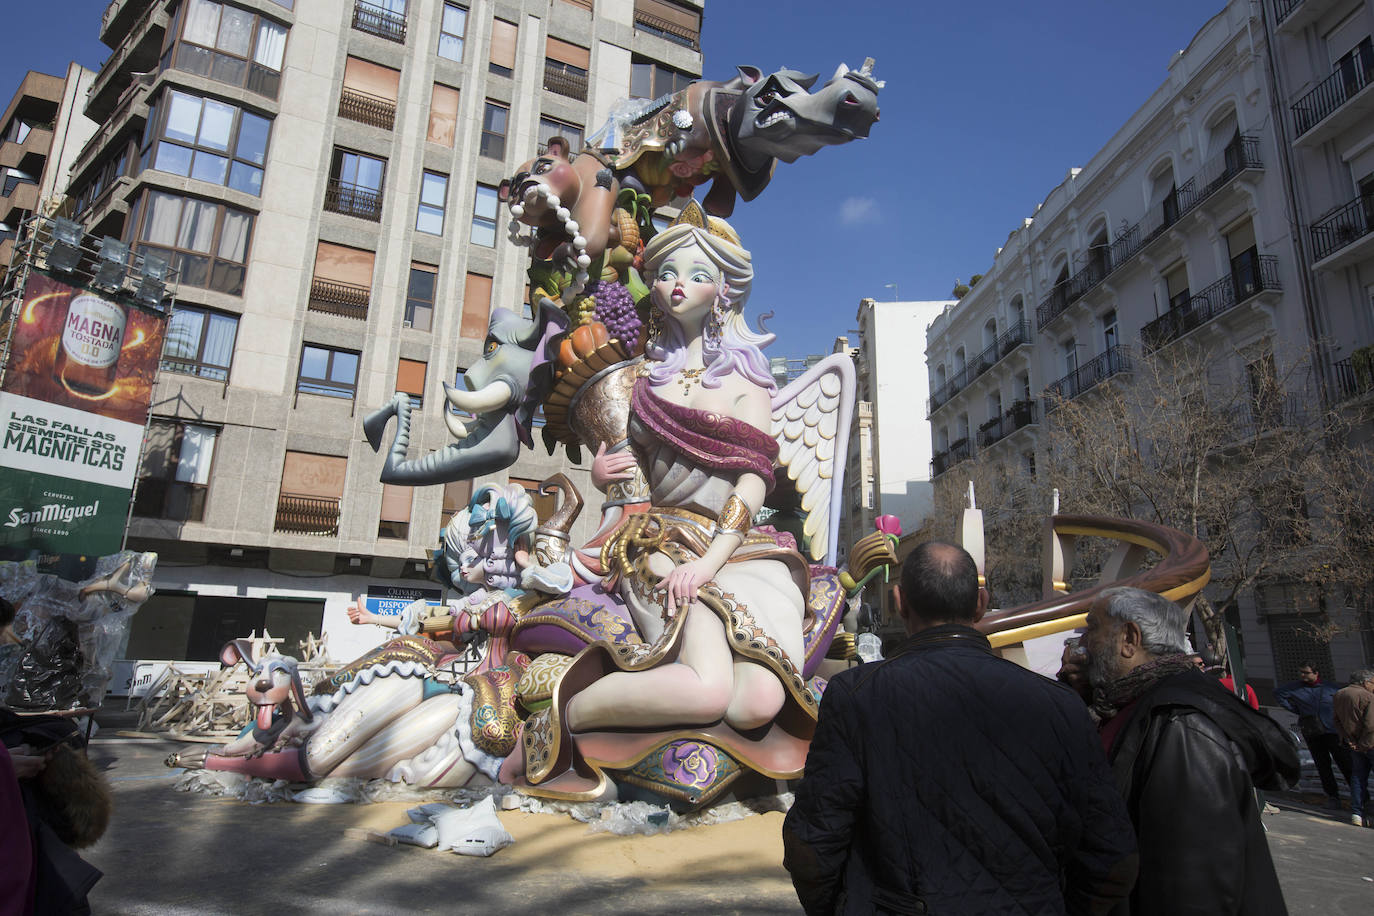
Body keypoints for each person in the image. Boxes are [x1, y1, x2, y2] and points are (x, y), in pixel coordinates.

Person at [520, 200, 817, 794]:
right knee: (708, 689)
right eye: (668, 273)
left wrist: (712, 561)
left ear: (725, 290)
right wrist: (604, 474)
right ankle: (561, 717)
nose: (679, 285)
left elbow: (754, 480)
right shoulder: (641, 382)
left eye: (698, 273)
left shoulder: (749, 379)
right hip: (660, 545)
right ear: (653, 284)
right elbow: (629, 481)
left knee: (758, 700)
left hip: (738, 548)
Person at [783, 542, 1138, 915]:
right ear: (981, 603)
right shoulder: (1061, 705)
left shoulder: (856, 696)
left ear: (899, 600)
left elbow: (813, 843)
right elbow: (1113, 857)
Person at [1072, 587, 1298, 916]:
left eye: (1093, 628)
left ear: (1129, 639)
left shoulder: (1181, 725)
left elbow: (1193, 886)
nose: (1083, 643)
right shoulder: (1136, 704)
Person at [1274, 661, 1353, 810]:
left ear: (1316, 673)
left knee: (1345, 763)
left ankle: (1358, 797)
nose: (1302, 676)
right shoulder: (1295, 688)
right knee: (1323, 766)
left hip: (1332, 732)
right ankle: (1332, 796)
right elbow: (1279, 694)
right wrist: (1297, 709)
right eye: (1301, 672)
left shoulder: (1330, 688)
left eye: (1306, 673)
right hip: (1313, 732)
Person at [1332, 668, 1374, 828]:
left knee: (1357, 778)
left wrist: (1350, 740)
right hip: (1369, 743)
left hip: (1353, 744)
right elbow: (1371, 725)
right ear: (1365, 682)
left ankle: (1357, 812)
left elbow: (1336, 721)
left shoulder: (1339, 694)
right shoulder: (1367, 696)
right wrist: (1363, 744)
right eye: (1373, 683)